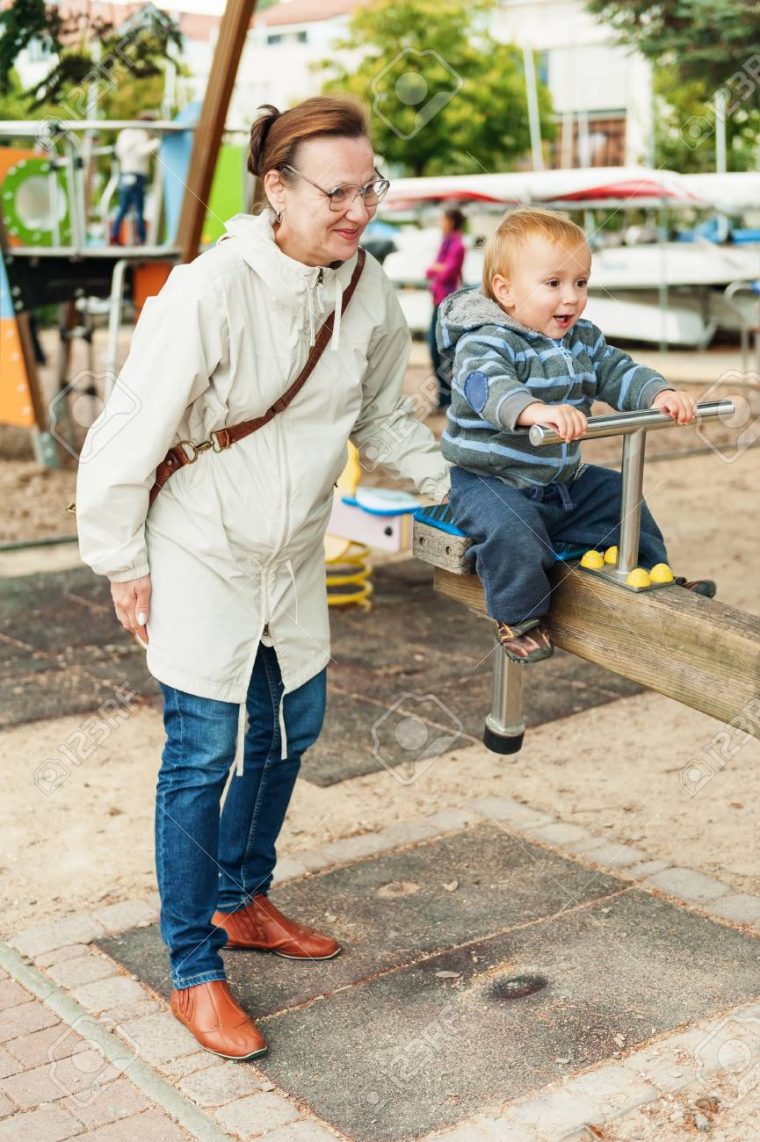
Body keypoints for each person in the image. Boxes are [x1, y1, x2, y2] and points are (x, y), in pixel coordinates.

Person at [76, 97, 450, 1059]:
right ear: (276, 188)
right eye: (338, 191)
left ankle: (242, 897)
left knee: (295, 724)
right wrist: (123, 564)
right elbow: (126, 434)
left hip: (291, 555)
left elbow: (385, 418)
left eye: (372, 187)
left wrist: (470, 492)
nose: (360, 208)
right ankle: (194, 969)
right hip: (199, 547)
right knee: (202, 752)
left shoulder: (366, 290)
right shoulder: (210, 289)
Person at [437, 207, 714, 664]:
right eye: (553, 284)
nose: (571, 298)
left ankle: (651, 572)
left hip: (557, 481)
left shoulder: (582, 340)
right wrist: (533, 411)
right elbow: (484, 385)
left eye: (580, 283)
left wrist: (658, 393)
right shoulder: (486, 340)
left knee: (617, 495)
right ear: (505, 291)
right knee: (513, 530)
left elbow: (617, 371)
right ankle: (519, 617)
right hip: (489, 481)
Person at [425, 207, 466, 410]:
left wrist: (436, 268)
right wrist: (436, 268)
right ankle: (444, 396)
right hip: (437, 301)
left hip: (447, 304)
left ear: (451, 221)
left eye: (443, 219)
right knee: (434, 350)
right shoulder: (446, 243)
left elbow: (445, 273)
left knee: (443, 351)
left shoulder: (457, 245)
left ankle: (449, 397)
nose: (441, 223)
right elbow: (430, 271)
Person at [110, 111, 159, 245]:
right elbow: (142, 151)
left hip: (126, 172)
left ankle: (114, 234)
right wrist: (157, 142)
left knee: (123, 207)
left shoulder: (125, 133)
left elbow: (120, 152)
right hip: (137, 174)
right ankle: (141, 238)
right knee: (139, 208)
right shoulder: (140, 135)